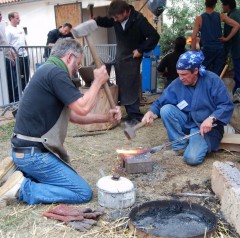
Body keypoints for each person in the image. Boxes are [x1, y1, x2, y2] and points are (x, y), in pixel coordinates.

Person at [0, 38, 121, 205]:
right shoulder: (56, 73)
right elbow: (83, 108)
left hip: (25, 150)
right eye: (78, 63)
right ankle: (21, 188)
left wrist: (106, 117)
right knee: (82, 192)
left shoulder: (48, 70)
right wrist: (98, 81)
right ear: (70, 57)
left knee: (60, 182)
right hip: (33, 154)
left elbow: (74, 116)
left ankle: (15, 172)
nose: (78, 68)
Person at [142, 51, 234, 166]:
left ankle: (193, 144)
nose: (180, 78)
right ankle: (179, 146)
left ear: (195, 70)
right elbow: (161, 102)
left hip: (206, 128)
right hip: (187, 122)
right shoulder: (177, 83)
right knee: (166, 109)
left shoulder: (212, 80)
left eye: (184, 74)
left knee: (192, 158)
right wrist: (151, 112)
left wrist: (211, 118)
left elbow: (226, 105)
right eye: (179, 74)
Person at [95, 0, 160, 125]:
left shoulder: (139, 20)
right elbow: (108, 22)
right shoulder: (116, 19)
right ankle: (130, 114)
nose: (115, 19)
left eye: (117, 16)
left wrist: (141, 50)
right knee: (123, 84)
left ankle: (135, 115)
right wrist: (97, 20)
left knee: (130, 83)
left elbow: (154, 36)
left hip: (132, 57)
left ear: (126, 12)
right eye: (114, 17)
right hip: (120, 56)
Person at [191, 0, 239, 76]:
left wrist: (193, 53)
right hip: (219, 50)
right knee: (217, 74)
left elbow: (193, 37)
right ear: (214, 5)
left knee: (203, 73)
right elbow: (237, 25)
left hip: (207, 50)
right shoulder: (220, 16)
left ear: (205, 4)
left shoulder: (199, 19)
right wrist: (226, 38)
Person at [6, 12, 29, 92]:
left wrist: (27, 50)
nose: (19, 20)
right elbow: (8, 45)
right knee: (18, 76)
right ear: (11, 19)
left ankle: (24, 92)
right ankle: (18, 95)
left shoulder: (21, 28)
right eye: (17, 18)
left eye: (19, 18)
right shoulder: (8, 30)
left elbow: (24, 40)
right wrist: (13, 57)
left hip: (25, 55)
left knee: (26, 75)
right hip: (17, 56)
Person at [221, 0, 240, 94]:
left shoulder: (231, 17)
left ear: (227, 6)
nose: (221, 6)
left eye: (222, 4)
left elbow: (227, 37)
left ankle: (237, 93)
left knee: (239, 73)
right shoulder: (238, 12)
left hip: (237, 49)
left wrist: (225, 39)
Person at [0, 11, 18, 103]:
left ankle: (14, 100)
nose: (1, 16)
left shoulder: (1, 27)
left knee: (13, 80)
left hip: (7, 58)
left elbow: (6, 43)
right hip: (2, 59)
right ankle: (11, 101)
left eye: (1, 14)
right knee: (9, 81)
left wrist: (11, 55)